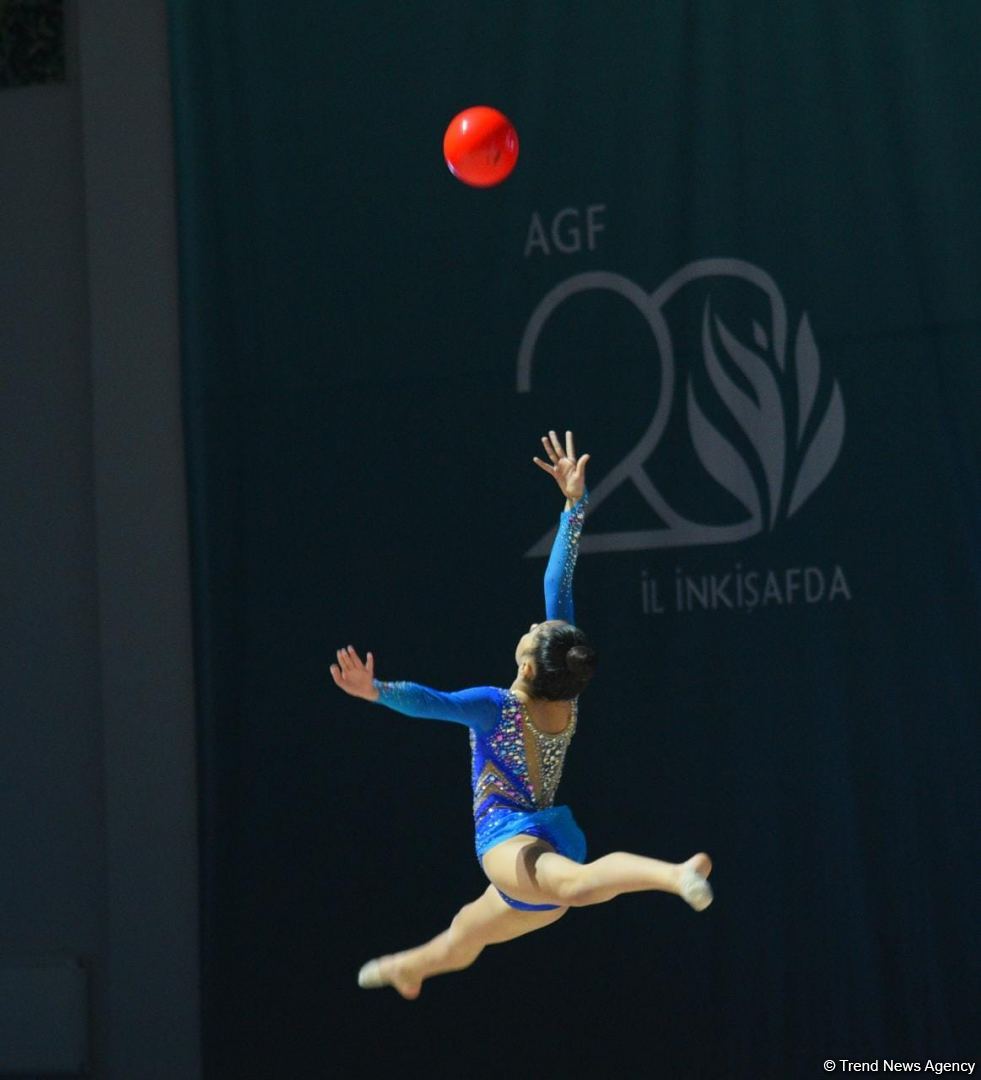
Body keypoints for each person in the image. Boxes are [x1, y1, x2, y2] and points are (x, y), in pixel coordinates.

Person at [330, 430, 713, 1000]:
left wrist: (375, 690)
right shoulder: (566, 690)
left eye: (536, 635)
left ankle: (675, 874)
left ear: (530, 667)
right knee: (465, 932)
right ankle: (409, 968)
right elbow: (556, 584)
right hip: (537, 844)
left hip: (513, 844)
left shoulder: (497, 707)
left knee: (576, 886)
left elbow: (431, 701)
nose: (535, 627)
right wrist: (573, 505)